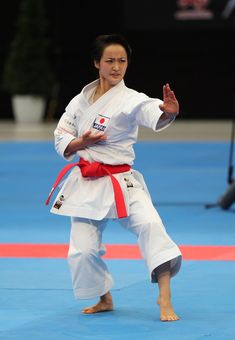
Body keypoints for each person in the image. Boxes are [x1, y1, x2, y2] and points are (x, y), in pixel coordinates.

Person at [46, 33, 182, 321]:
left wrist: (166, 112)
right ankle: (104, 297)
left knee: (151, 226)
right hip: (87, 182)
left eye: (122, 61)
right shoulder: (79, 100)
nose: (116, 67)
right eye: (110, 60)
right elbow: (61, 135)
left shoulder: (130, 99)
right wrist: (81, 143)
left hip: (122, 181)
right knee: (82, 251)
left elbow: (148, 108)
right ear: (97, 63)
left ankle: (165, 298)